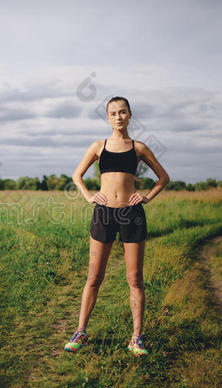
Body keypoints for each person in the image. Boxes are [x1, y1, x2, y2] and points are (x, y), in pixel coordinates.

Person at [65, 96, 170, 356]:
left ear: (130, 115)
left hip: (131, 214)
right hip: (103, 214)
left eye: (123, 112)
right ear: (108, 117)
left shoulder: (139, 148)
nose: (118, 117)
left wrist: (146, 196)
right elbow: (76, 175)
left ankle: (136, 338)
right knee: (94, 278)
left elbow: (163, 177)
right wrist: (90, 196)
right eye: (113, 113)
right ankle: (81, 332)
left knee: (134, 279)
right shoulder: (99, 146)